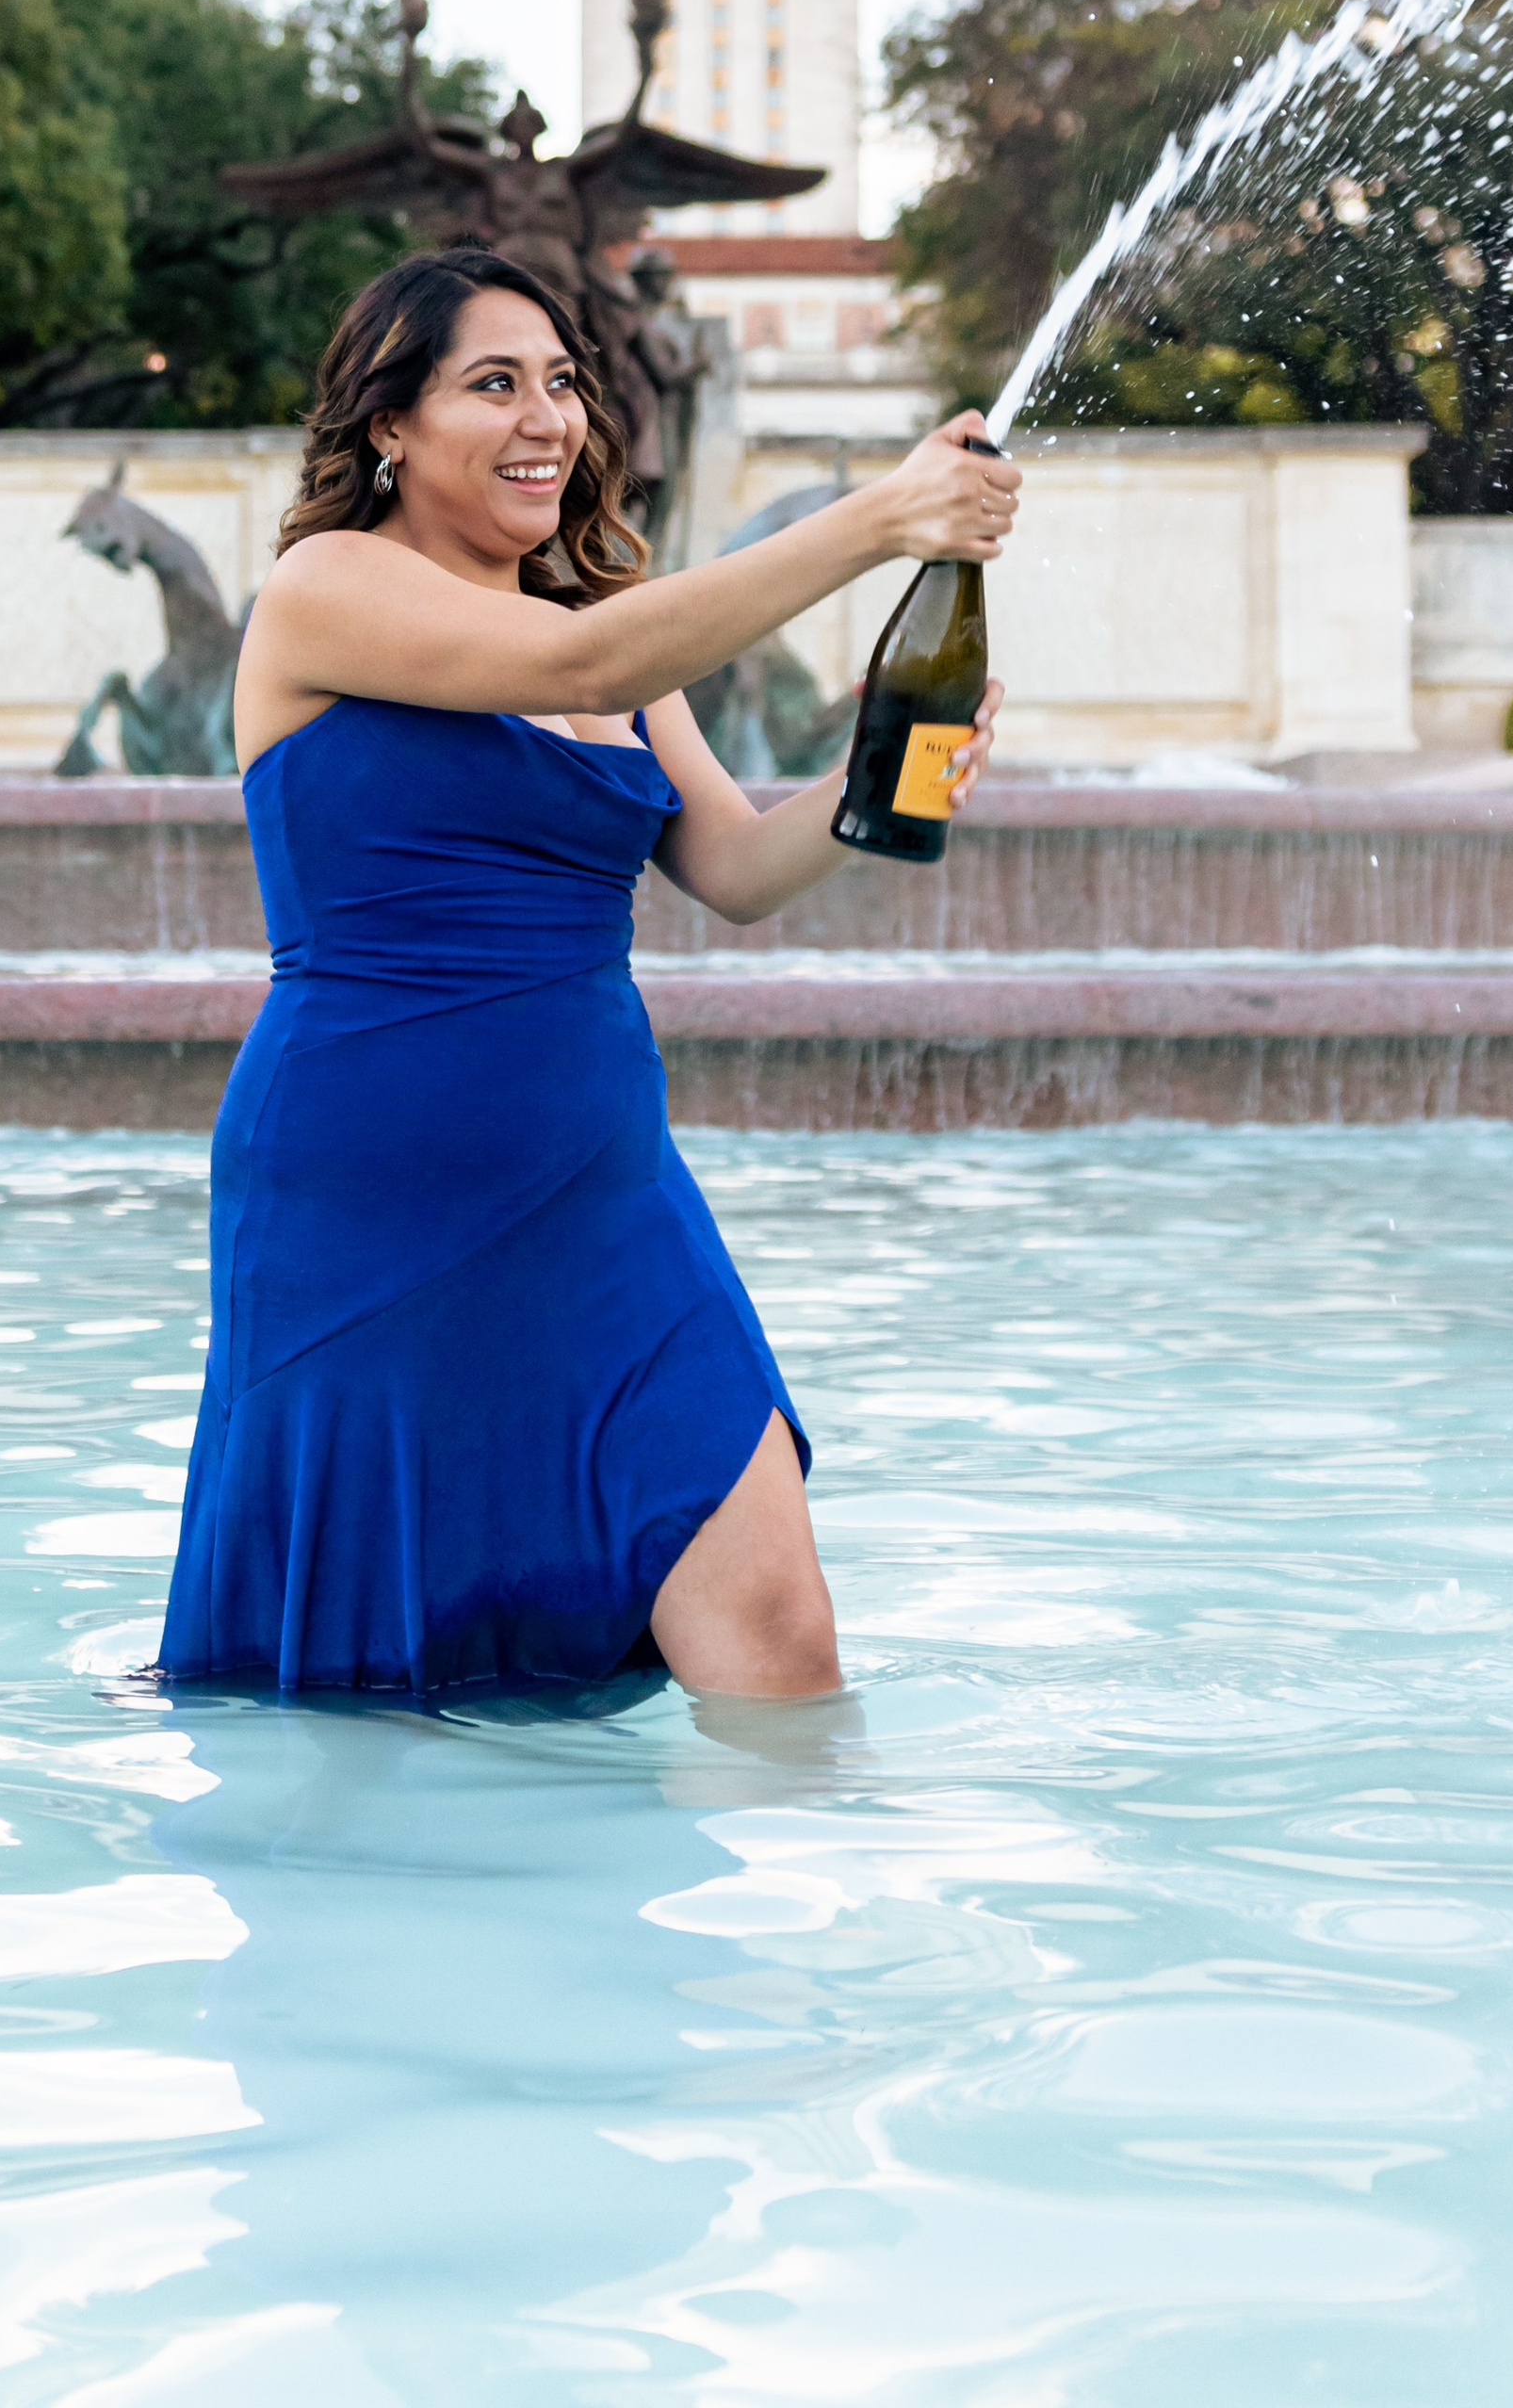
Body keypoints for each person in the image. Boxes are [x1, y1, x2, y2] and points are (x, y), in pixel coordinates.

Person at [156, 242, 1019, 1706]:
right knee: (384, 1678)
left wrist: (882, 773)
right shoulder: (325, 590)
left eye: (562, 381)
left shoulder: (606, 637)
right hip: (370, 1193)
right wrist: (881, 518)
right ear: (389, 426)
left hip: (603, 1191)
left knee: (779, 1630)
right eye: (493, 384)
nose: (547, 417)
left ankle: (805, 1933)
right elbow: (576, 673)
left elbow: (737, 869)